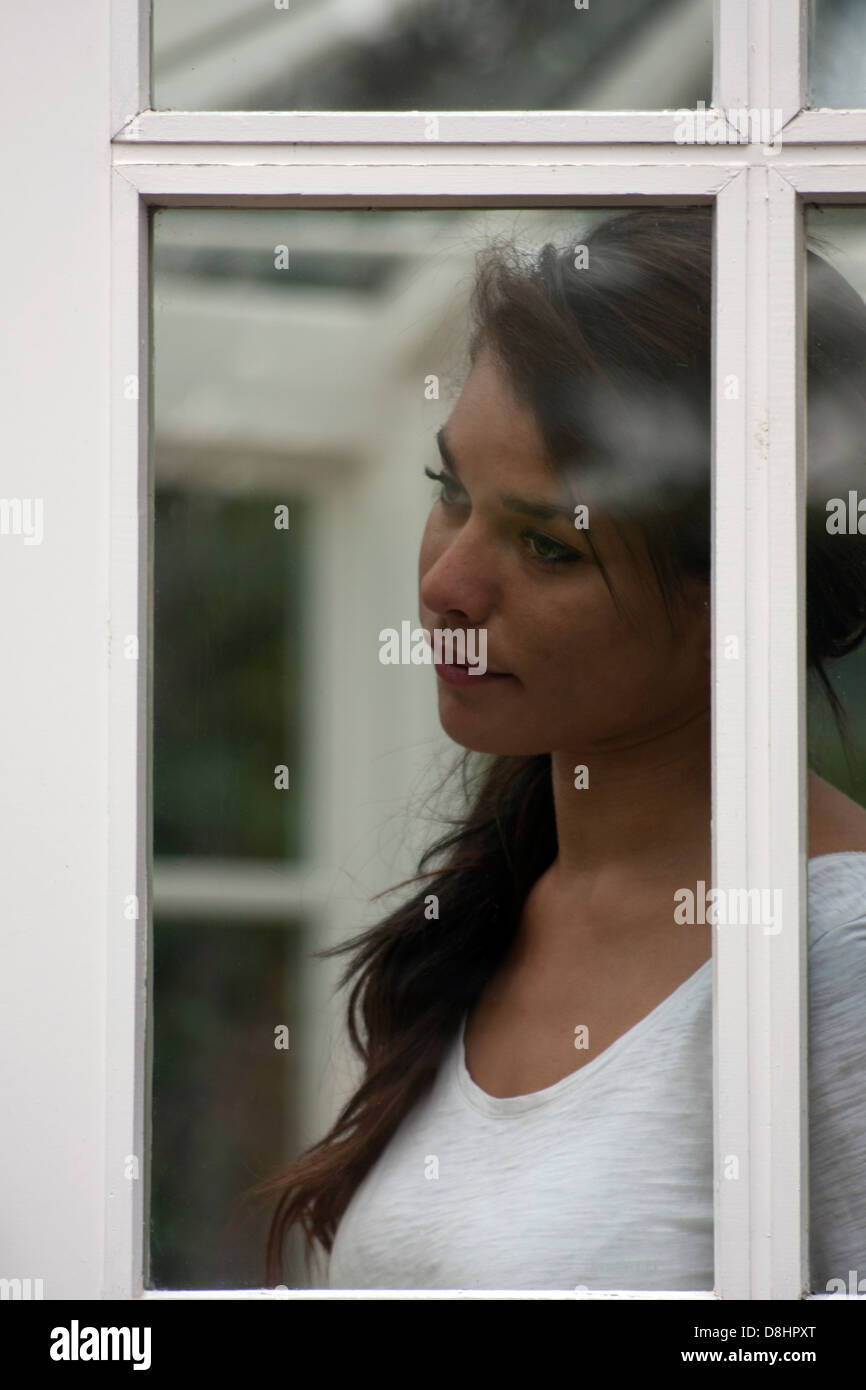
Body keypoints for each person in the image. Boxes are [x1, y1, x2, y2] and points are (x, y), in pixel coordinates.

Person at [251, 207, 866, 1292]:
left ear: (738, 592)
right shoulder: (501, 898)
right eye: (450, 494)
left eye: (546, 545)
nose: (446, 585)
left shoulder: (836, 957)